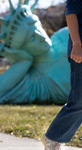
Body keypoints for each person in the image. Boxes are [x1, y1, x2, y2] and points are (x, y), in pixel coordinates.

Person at [0, 0, 70, 104]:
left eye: (38, 28)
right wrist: (22, 61)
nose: (41, 37)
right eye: (31, 38)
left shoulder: (65, 36)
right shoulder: (37, 82)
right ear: (23, 48)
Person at [42, 0, 82, 149]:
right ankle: (52, 137)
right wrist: (77, 44)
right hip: (80, 49)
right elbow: (71, 13)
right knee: (79, 99)